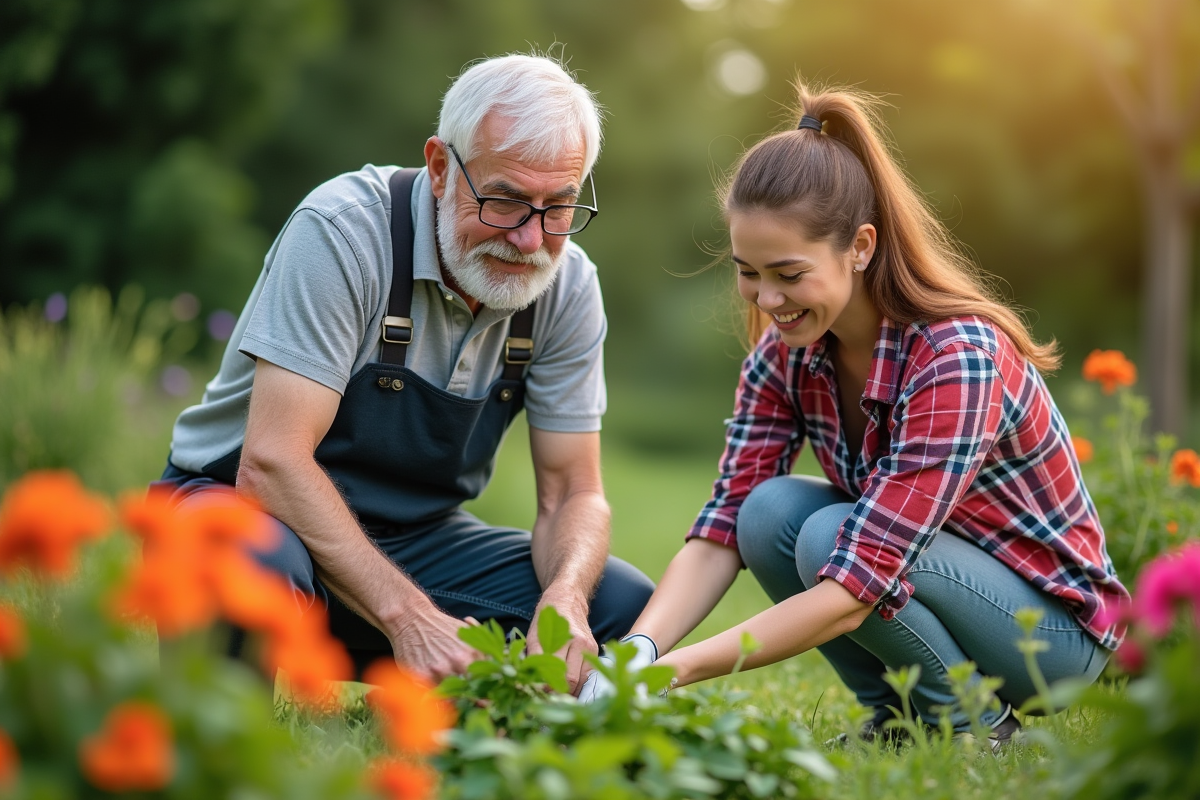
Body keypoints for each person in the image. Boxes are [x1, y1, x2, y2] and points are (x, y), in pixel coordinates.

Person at [581, 82, 1128, 747]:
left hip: (1050, 639)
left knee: (826, 539)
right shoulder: (786, 356)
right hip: (934, 584)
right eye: (748, 272)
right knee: (767, 513)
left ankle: (973, 728)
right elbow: (726, 523)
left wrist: (676, 672)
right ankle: (899, 721)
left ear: (860, 247)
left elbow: (858, 580)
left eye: (788, 272)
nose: (767, 298)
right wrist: (637, 650)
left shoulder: (955, 357)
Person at [152, 54, 654, 692]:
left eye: (558, 207)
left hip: (416, 542)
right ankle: (219, 723)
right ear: (442, 168)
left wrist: (567, 599)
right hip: (243, 512)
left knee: (622, 607)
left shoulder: (568, 285)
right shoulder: (343, 232)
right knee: (246, 557)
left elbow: (573, 493)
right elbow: (271, 463)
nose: (531, 241)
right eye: (505, 201)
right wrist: (408, 615)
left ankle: (493, 705)